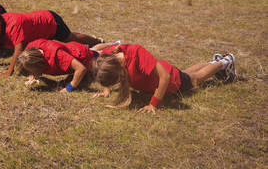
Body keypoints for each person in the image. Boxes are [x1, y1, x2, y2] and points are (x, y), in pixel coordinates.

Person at [91, 42, 237, 114]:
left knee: (195, 78)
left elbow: (165, 78)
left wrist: (153, 104)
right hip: (166, 71)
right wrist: (106, 91)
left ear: (119, 71)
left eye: (116, 81)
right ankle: (215, 62)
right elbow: (104, 70)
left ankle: (225, 62)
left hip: (171, 81)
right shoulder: (108, 56)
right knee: (187, 73)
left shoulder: (135, 54)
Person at [0, 10, 104, 77]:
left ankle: (97, 41)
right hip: (41, 29)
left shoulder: (13, 25)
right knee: (71, 37)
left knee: (71, 39)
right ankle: (95, 42)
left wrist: (8, 73)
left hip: (50, 22)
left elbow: (18, 50)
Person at [15, 39, 108, 92]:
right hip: (72, 48)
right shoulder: (30, 49)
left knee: (102, 56)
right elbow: (28, 63)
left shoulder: (57, 55)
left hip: (83, 57)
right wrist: (32, 77)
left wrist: (68, 89)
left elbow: (81, 69)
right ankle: (113, 45)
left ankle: (117, 47)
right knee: (94, 50)